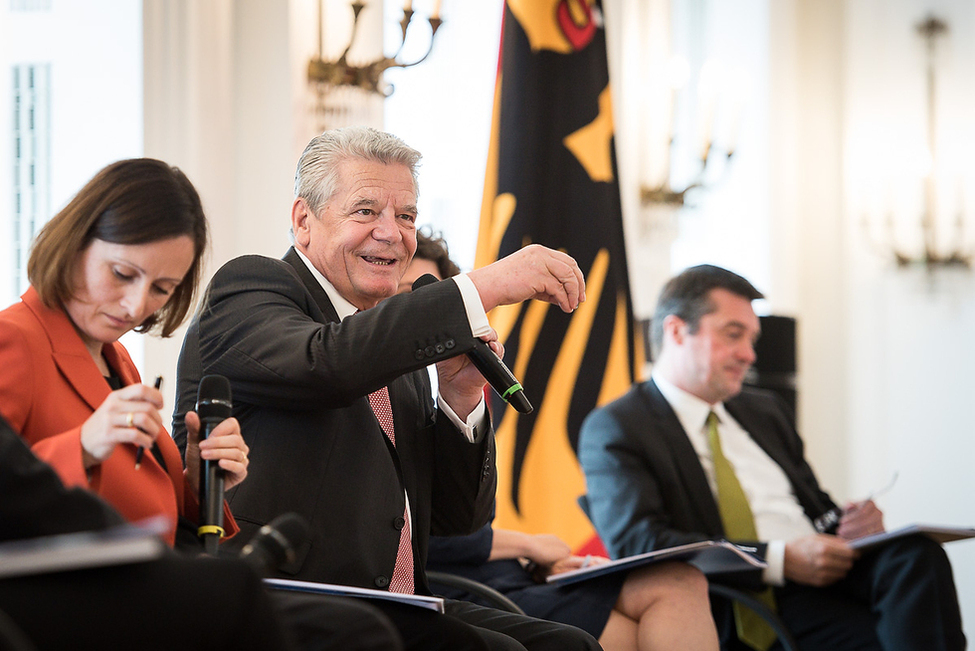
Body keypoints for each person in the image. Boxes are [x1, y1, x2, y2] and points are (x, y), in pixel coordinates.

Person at [173, 126, 600, 651]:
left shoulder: (393, 340)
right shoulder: (250, 288)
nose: (391, 233)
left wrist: (460, 397)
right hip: (283, 594)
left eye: (406, 216)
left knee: (571, 645)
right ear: (303, 220)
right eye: (365, 211)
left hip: (400, 600)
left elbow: (458, 519)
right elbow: (327, 363)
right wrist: (480, 287)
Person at [0, 158, 404, 651]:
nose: (134, 306)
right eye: (122, 274)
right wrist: (82, 446)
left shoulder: (116, 358)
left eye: (161, 290)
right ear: (75, 243)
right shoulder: (15, 340)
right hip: (73, 600)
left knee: (351, 629)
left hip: (146, 585)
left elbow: (159, 508)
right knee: (346, 632)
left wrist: (196, 481)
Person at [578, 264, 966, 651]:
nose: (749, 355)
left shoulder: (765, 411)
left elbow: (816, 509)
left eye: (752, 339)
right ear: (677, 331)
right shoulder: (617, 426)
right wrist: (778, 559)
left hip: (829, 574)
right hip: (745, 601)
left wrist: (852, 526)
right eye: (734, 335)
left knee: (916, 554)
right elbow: (640, 544)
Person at [406, 230, 721, 651]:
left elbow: (468, 509)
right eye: (407, 299)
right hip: (453, 583)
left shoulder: (457, 380)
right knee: (630, 636)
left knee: (681, 579)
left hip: (501, 570)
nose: (413, 314)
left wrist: (527, 555)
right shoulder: (370, 392)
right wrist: (530, 544)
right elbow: (410, 531)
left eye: (430, 300)